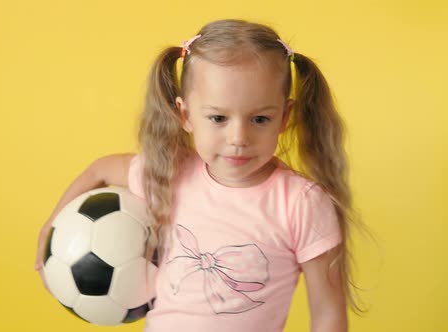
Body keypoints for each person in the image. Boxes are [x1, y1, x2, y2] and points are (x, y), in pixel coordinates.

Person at [35, 19, 364, 332]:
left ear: (284, 117)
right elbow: (100, 169)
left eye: (260, 119)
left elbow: (328, 312)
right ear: (186, 114)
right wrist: (48, 231)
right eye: (219, 118)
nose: (239, 138)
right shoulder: (171, 172)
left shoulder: (300, 203)